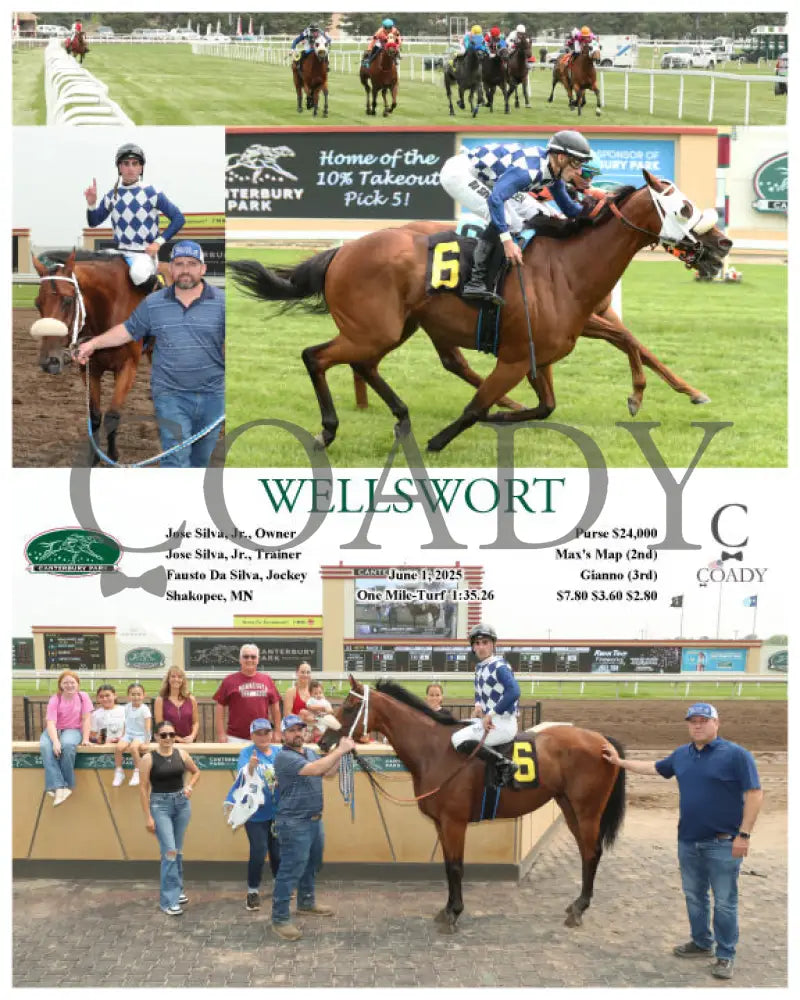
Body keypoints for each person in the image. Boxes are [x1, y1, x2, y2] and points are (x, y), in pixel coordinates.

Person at [602, 703, 763, 981]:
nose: (697, 725)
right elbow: (654, 767)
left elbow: (754, 793)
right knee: (694, 896)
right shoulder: (682, 754)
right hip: (688, 840)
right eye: (693, 721)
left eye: (703, 720)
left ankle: (725, 955)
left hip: (724, 843)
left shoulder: (736, 755)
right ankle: (701, 942)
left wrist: (744, 834)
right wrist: (620, 762)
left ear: (716, 723)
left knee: (724, 902)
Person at [75, 240, 225, 468]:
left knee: (201, 460)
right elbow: (127, 330)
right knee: (176, 458)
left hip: (212, 396)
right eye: (179, 264)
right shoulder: (153, 303)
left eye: (192, 264)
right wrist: (93, 344)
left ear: (203, 269)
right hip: (171, 396)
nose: (185, 270)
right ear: (170, 269)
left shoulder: (222, 303)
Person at [438, 130, 595, 305]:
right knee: (505, 219)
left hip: (491, 178)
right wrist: (507, 243)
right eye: (576, 163)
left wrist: (599, 214)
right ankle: (476, 282)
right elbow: (496, 199)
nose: (579, 170)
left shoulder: (554, 174)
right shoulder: (528, 171)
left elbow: (569, 209)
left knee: (541, 213)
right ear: (561, 158)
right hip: (460, 173)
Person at [270, 716, 356, 941]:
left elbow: (328, 772)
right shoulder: (284, 757)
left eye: (300, 729)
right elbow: (315, 769)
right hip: (294, 822)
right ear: (283, 735)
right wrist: (340, 750)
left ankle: (306, 902)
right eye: (291, 730)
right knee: (290, 870)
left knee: (312, 864)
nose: (297, 733)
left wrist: (339, 753)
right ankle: (280, 918)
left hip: (314, 821)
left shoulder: (309, 752)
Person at [84, 143, 185, 288]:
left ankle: (161, 290)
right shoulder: (112, 195)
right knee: (93, 265)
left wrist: (158, 243)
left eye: (135, 163)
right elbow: (93, 222)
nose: (130, 168)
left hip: (144, 254)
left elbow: (178, 218)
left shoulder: (152, 192)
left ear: (141, 168)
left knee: (138, 274)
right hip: (119, 252)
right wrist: (91, 204)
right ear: (119, 167)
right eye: (126, 164)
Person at [139, 720, 201, 916]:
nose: (168, 738)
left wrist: (189, 786)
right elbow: (143, 788)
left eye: (171, 735)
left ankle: (178, 889)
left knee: (177, 851)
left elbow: (196, 771)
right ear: (156, 737)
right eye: (164, 735)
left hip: (181, 804)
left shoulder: (181, 754)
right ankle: (168, 901)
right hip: (160, 805)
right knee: (170, 852)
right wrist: (148, 817)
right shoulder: (148, 758)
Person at [450, 624, 519, 786]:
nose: (481, 647)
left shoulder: (499, 666)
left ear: (493, 644)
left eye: (485, 642)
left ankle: (505, 764)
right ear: (473, 647)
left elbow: (514, 691)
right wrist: (478, 705)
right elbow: (478, 691)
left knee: (457, 739)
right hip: (492, 721)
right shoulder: (480, 667)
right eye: (477, 643)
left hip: (502, 724)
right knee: (459, 725)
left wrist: (490, 714)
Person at [224, 718, 281, 912]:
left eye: (266, 732)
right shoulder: (247, 753)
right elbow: (242, 775)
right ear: (252, 735)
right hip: (255, 814)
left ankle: (279, 883)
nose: (263, 737)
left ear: (271, 734)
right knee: (259, 851)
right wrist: (251, 767)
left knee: (277, 852)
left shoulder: (279, 752)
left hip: (277, 811)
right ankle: (253, 890)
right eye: (258, 733)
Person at [40, 670, 93, 806]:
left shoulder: (83, 697)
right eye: (65, 683)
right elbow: (51, 722)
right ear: (60, 685)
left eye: (72, 682)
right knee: (45, 747)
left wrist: (85, 738)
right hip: (54, 729)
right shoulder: (55, 699)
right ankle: (60, 787)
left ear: (78, 684)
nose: (69, 685)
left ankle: (62, 785)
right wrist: (55, 741)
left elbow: (86, 719)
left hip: (73, 729)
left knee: (68, 745)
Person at [213, 644, 281, 744]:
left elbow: (275, 707)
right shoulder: (229, 680)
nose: (249, 660)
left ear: (258, 660)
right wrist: (221, 733)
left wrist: (277, 731)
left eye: (253, 657)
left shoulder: (267, 680)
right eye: (246, 656)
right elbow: (220, 706)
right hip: (235, 738)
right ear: (240, 659)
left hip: (262, 736)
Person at [89, 685, 127, 789]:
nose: (105, 699)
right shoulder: (95, 714)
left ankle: (119, 772)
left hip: (123, 747)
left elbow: (131, 728)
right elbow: (92, 735)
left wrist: (122, 738)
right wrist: (99, 740)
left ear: (115, 695)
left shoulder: (125, 710)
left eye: (107, 695)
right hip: (105, 750)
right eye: (101, 696)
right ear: (98, 698)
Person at [116, 682, 152, 786]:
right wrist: (122, 736)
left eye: (138, 694)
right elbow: (125, 723)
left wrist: (147, 742)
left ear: (143, 695)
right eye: (133, 694)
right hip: (128, 734)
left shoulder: (144, 709)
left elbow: (147, 727)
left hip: (140, 735)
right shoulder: (126, 707)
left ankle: (138, 770)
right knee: (118, 748)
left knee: (133, 747)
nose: (136, 697)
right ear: (128, 696)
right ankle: (119, 771)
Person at [155, 667, 199, 743]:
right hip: (169, 743)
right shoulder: (160, 700)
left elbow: (195, 722)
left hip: (189, 742)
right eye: (173, 676)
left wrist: (192, 736)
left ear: (183, 680)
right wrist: (178, 739)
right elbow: (160, 725)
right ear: (168, 679)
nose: (176, 679)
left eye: (179, 677)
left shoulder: (191, 699)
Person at [282, 661, 316, 725]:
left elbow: (322, 710)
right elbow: (287, 714)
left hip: (313, 727)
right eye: (302, 672)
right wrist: (303, 718)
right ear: (297, 673)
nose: (305, 675)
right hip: (295, 727)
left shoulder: (315, 691)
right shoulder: (291, 692)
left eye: (308, 672)